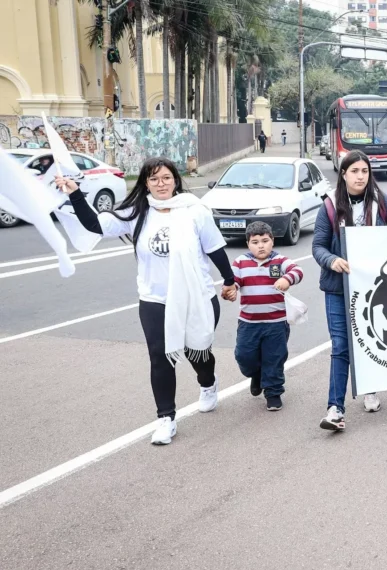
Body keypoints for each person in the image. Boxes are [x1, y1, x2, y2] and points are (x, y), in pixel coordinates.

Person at [57, 158, 236, 445]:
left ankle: (207, 383)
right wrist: (75, 192)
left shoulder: (195, 211)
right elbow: (93, 225)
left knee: (195, 351)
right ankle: (166, 418)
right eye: (154, 179)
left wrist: (229, 280)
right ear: (145, 184)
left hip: (197, 296)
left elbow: (214, 249)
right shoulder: (135, 212)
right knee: (160, 357)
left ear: (175, 180)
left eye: (166, 178)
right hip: (155, 299)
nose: (161, 184)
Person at [313, 150, 387, 432]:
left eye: (364, 171)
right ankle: (335, 408)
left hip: (374, 290)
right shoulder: (329, 207)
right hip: (338, 289)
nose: (360, 176)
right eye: (354, 171)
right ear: (343, 174)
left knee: (370, 341)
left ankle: (370, 388)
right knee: (341, 346)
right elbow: (318, 246)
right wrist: (332, 260)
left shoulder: (382, 202)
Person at [224, 221, 303, 411]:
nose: (261, 245)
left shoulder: (280, 261)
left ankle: (273, 392)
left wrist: (286, 278)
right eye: (255, 242)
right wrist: (230, 290)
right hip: (248, 323)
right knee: (244, 356)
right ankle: (256, 375)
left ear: (272, 241)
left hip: (276, 323)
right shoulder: (241, 262)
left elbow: (298, 271)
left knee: (274, 357)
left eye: (265, 241)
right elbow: (232, 281)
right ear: (248, 244)